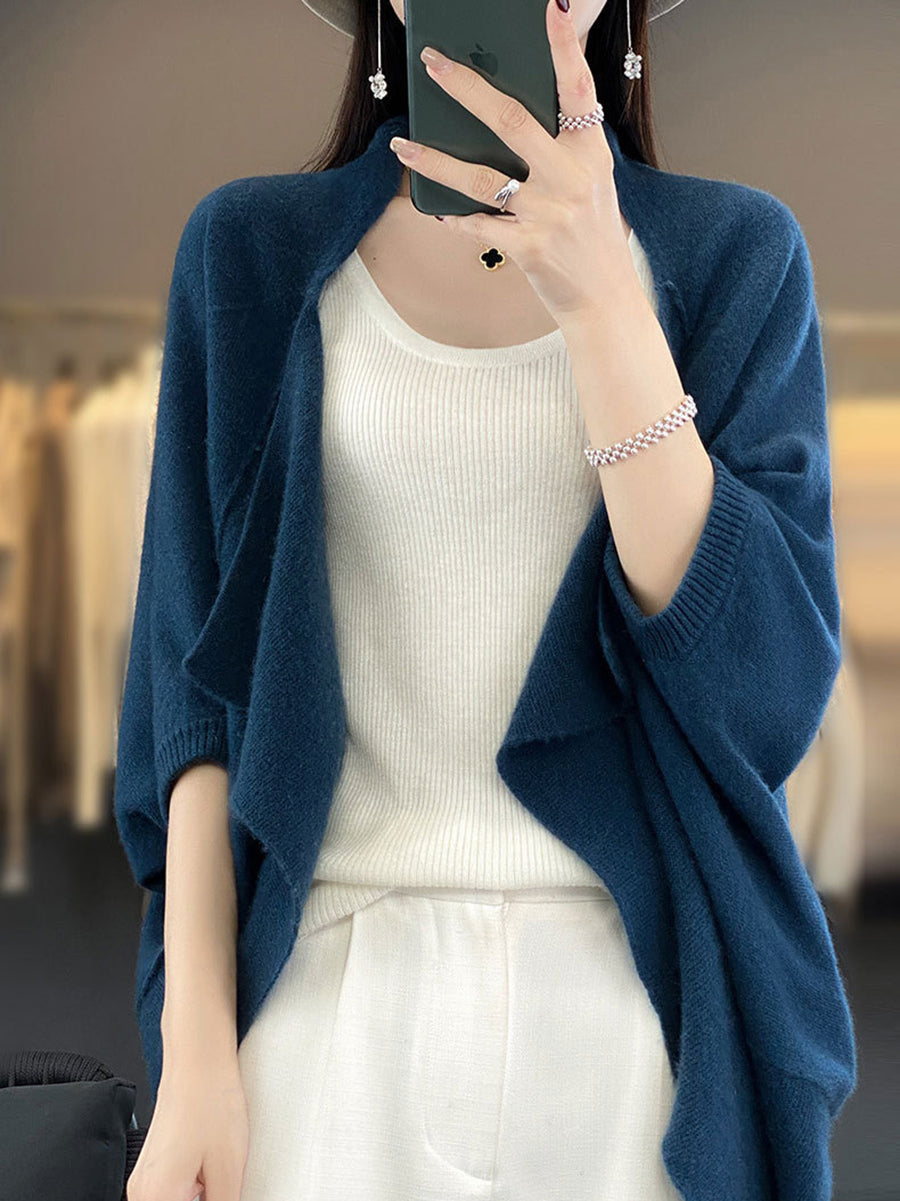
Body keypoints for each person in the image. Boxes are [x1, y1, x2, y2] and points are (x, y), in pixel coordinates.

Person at [115, 1, 857, 1199]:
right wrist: (195, 1057)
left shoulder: (736, 254)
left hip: (640, 1026)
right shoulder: (246, 253)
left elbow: (762, 695)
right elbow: (191, 708)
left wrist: (605, 303)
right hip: (324, 1007)